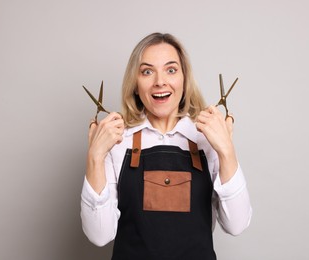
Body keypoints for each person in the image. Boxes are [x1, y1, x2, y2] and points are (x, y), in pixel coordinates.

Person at [80, 32, 252, 260]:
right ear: (135, 83)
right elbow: (99, 235)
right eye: (147, 71)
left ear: (184, 78)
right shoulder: (118, 141)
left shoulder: (207, 138)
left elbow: (237, 225)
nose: (160, 81)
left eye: (171, 70)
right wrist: (95, 156)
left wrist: (226, 151)